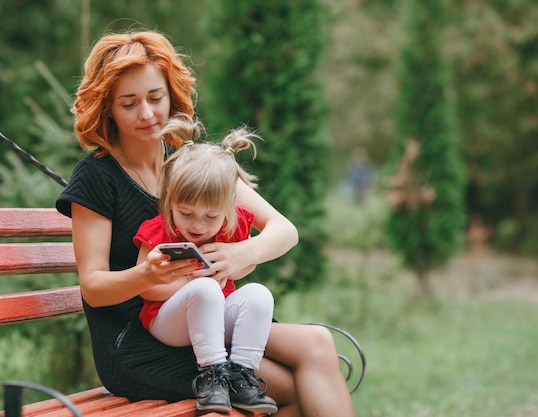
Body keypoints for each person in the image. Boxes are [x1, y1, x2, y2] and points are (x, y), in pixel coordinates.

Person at [56, 29, 356, 417]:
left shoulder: (189, 163)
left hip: (208, 318)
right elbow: (93, 287)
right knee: (290, 386)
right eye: (129, 103)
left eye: (155, 98)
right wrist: (147, 275)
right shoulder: (97, 177)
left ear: (171, 94)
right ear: (108, 108)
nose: (146, 114)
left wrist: (238, 253)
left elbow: (285, 231)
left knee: (316, 343)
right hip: (139, 343)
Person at [133, 117, 277, 413]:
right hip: (167, 321)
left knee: (260, 294)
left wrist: (232, 266)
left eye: (211, 217)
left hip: (214, 317)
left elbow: (245, 267)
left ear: (228, 207)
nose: (197, 225)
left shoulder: (232, 227)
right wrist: (190, 281)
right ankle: (213, 377)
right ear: (169, 201)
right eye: (185, 213)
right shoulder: (160, 232)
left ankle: (241, 376)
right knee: (204, 289)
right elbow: (147, 290)